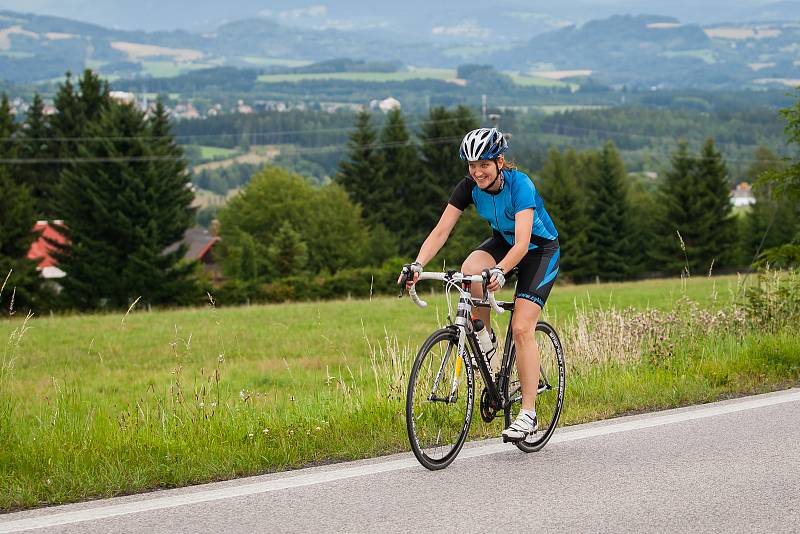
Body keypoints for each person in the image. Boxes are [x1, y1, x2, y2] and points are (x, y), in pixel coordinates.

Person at [399, 127, 560, 443]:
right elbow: (441, 231)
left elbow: (524, 241)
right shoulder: (469, 187)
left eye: (484, 164)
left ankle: (528, 414)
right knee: (470, 270)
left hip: (538, 250)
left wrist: (500, 271)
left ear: (499, 161)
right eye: (472, 165)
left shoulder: (520, 186)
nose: (477, 171)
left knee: (522, 328)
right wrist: (418, 264)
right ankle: (485, 343)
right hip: (504, 242)